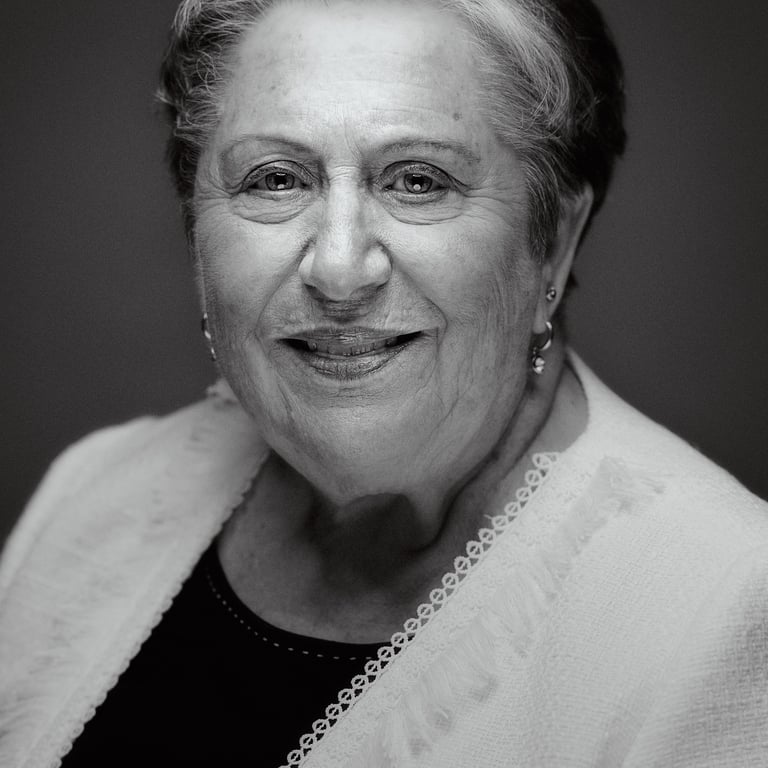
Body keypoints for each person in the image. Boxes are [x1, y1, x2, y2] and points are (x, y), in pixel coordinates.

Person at [1, 0, 767, 766]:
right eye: (275, 179)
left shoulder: (721, 606)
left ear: (554, 243)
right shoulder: (91, 494)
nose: (339, 270)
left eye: (418, 181)